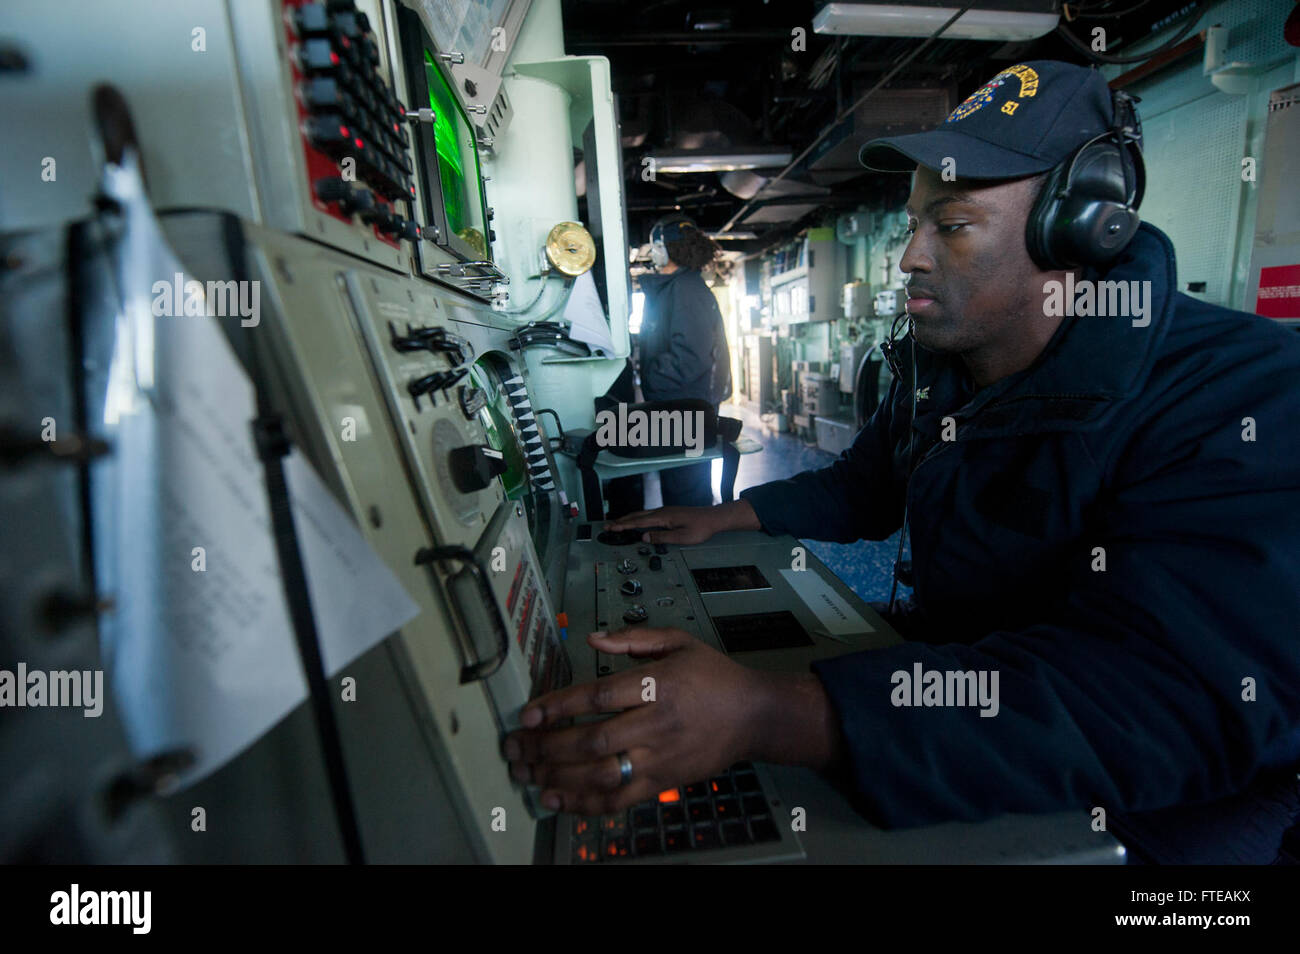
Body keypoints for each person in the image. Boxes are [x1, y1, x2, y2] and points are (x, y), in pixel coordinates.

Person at [504, 61, 1300, 864]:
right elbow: (872, 485)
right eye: (912, 223)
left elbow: (1158, 701)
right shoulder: (947, 368)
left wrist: (778, 716)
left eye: (950, 225)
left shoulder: (1248, 396)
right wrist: (732, 516)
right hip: (955, 704)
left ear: (1082, 227)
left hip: (1167, 808)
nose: (909, 257)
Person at [634, 213, 732, 507]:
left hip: (685, 407)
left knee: (687, 492)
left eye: (657, 245)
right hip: (677, 404)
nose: (654, 252)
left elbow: (688, 359)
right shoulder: (676, 287)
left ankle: (693, 550)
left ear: (668, 248)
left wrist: (649, 376)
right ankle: (683, 547)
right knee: (679, 486)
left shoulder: (686, 289)